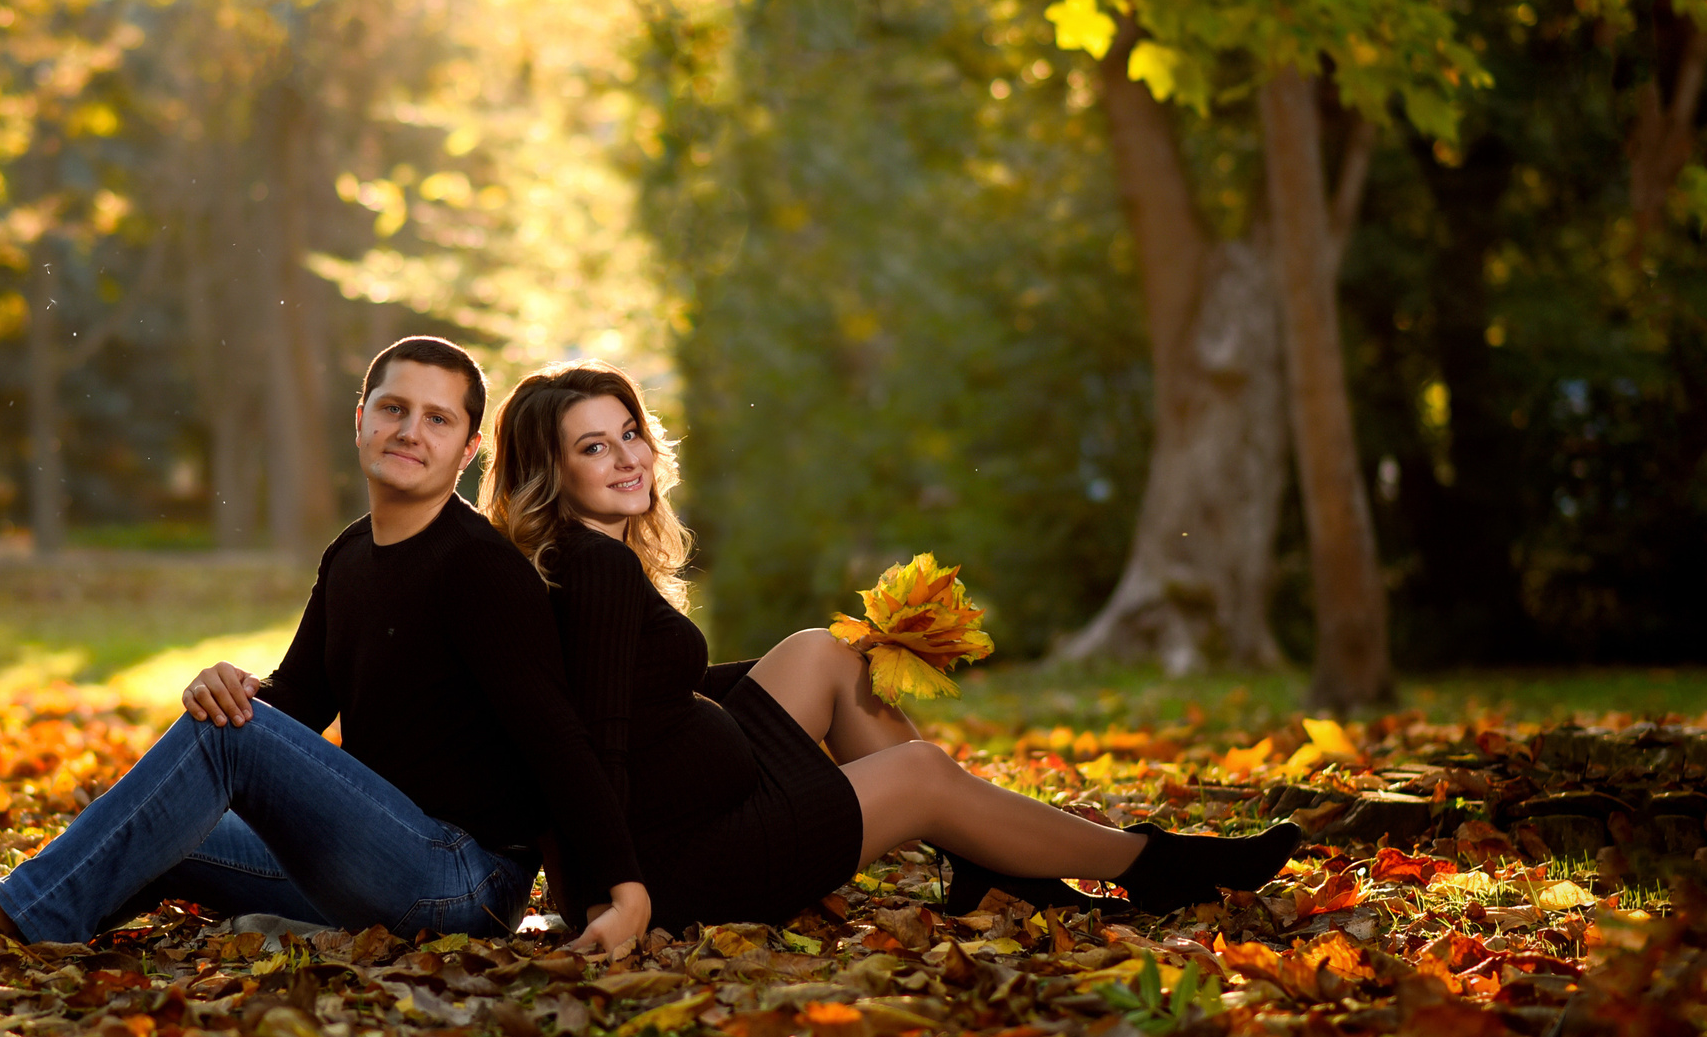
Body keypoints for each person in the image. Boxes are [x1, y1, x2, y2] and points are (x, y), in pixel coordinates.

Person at [0, 337, 652, 956]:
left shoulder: (481, 570)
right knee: (161, 819)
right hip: (374, 870)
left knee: (221, 743)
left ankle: (0, 918)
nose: (410, 430)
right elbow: (295, 704)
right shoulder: (350, 556)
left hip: (459, 886)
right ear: (362, 419)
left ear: (470, 448)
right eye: (393, 408)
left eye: (437, 418)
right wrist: (231, 686)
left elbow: (554, 736)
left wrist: (625, 888)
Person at [479, 360, 1300, 937]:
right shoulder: (592, 571)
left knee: (825, 652)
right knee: (921, 774)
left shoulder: (577, 561)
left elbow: (640, 693)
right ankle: (1152, 864)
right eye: (594, 447)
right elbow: (586, 748)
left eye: (630, 433)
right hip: (692, 862)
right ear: (551, 471)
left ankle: (990, 860)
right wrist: (615, 892)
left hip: (694, 805)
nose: (628, 458)